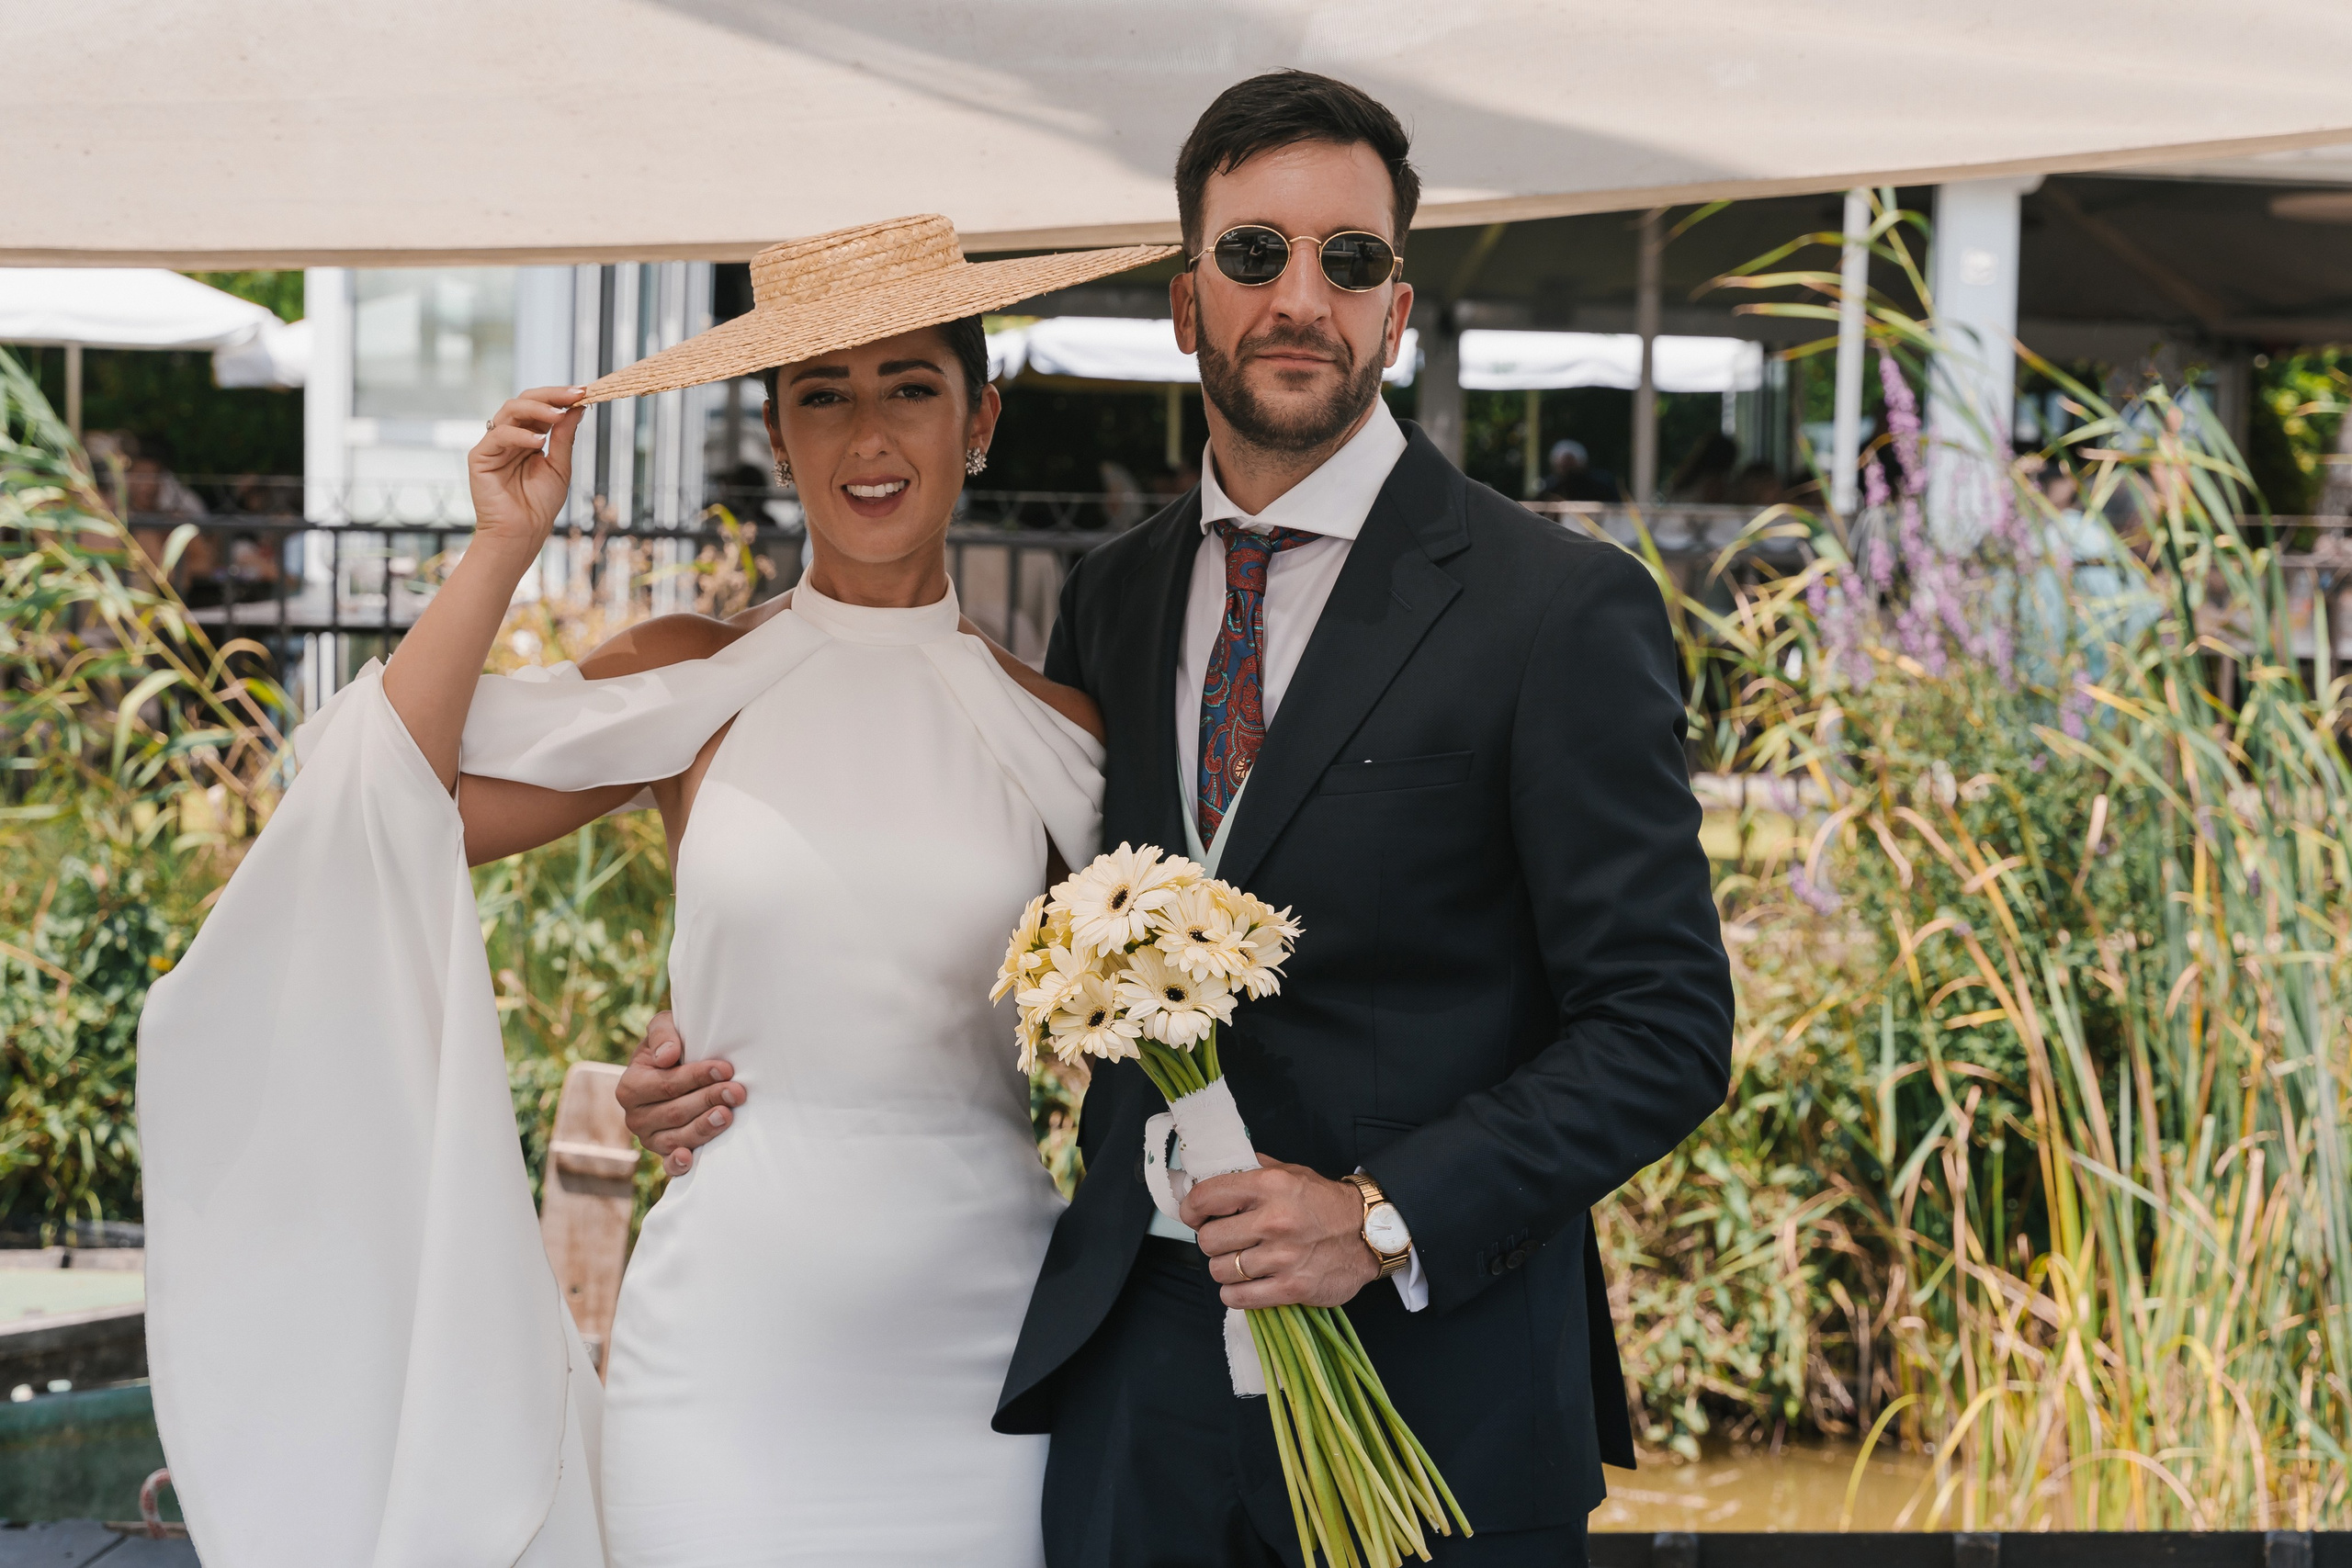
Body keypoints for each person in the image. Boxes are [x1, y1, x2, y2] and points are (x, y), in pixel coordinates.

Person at [624, 72, 1734, 1566]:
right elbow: (1009, 913)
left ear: (1396, 310)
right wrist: (725, 1034)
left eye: (1350, 259)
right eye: (1256, 254)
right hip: (1127, 1402)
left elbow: (1664, 1025)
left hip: (1436, 1412)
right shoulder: (1116, 600)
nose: (1302, 295)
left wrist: (1385, 1215)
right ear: (1185, 302)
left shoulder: (1557, 610)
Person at [137, 216, 1173, 1566]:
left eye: (910, 386)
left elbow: (1150, 1021)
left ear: (979, 417)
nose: (868, 435)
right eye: (823, 395)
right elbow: (386, 798)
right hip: (725, 1357)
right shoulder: (697, 676)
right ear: (779, 430)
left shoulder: (1052, 730)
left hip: (987, 1350)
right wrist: (502, 546)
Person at [1534, 436, 1618, 503]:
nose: (1567, 470)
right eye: (1563, 466)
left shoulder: (1601, 486)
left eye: (1570, 464)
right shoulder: (1548, 487)